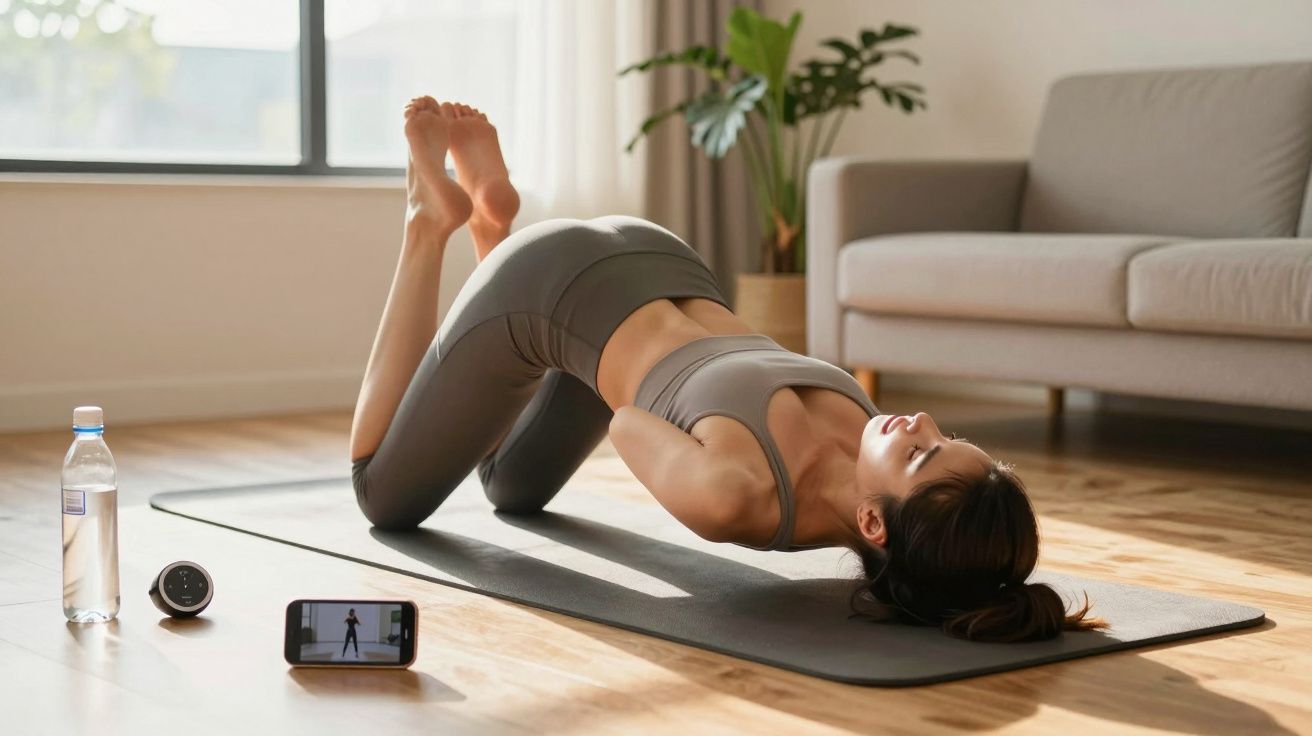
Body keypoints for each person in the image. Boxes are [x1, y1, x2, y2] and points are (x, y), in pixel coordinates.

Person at [349, 97, 1107, 643]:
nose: (917, 421)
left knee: (511, 490)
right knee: (380, 493)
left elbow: (623, 405)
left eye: (920, 451)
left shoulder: (810, 450)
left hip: (662, 253)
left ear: (876, 522)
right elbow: (629, 419)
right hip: (549, 285)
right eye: (945, 435)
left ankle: (492, 227)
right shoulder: (737, 496)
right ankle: (432, 224)